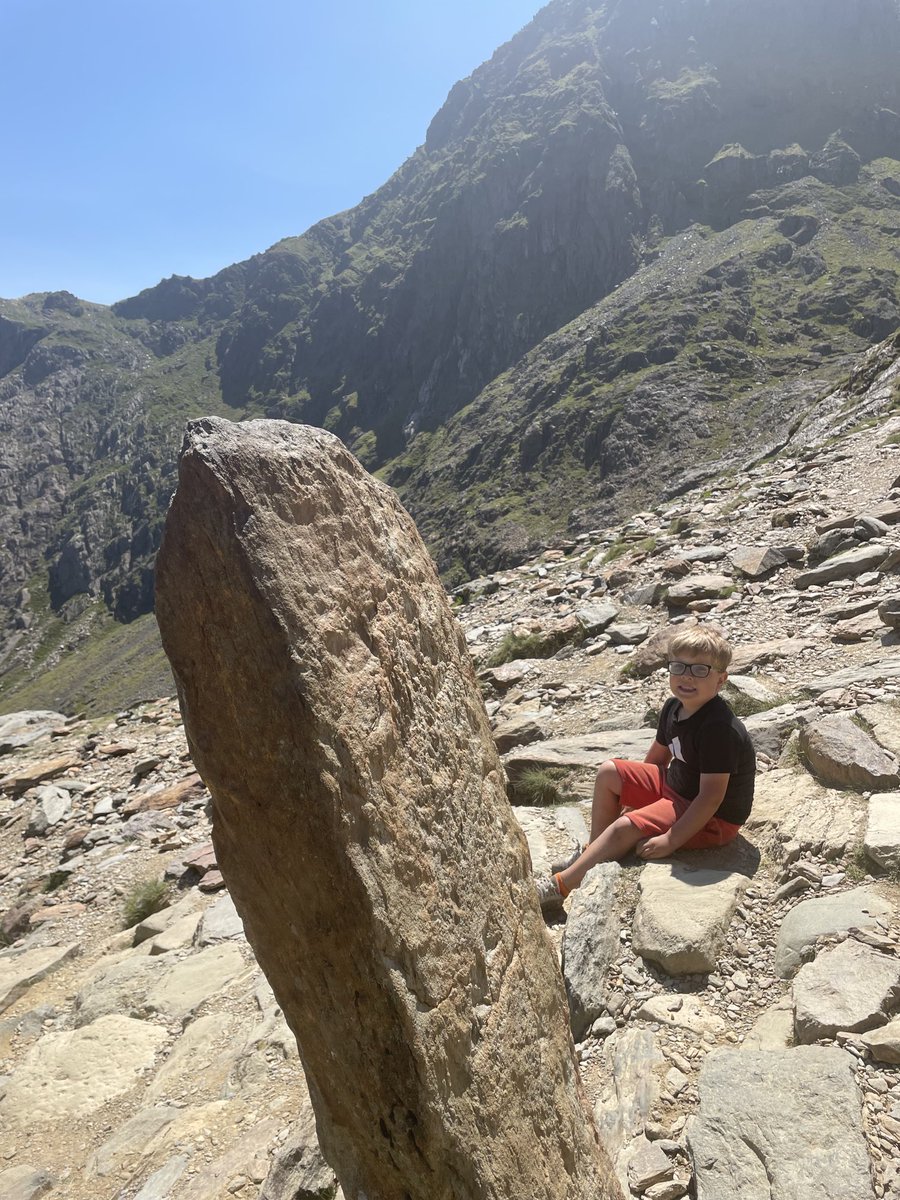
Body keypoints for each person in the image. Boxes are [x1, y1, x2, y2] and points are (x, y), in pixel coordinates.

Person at [536, 626, 756, 912]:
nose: (687, 676)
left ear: (721, 680)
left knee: (626, 826)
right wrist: (636, 800)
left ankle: (561, 885)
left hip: (714, 818)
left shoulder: (718, 728)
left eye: (701, 670)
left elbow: (711, 798)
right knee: (608, 772)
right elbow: (656, 760)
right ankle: (593, 853)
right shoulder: (673, 707)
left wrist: (671, 839)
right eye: (679, 666)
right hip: (678, 789)